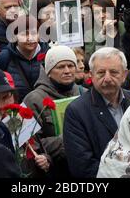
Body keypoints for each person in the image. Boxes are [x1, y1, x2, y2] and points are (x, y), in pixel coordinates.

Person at [63, 47, 130, 178]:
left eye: (113, 72)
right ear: (91, 75)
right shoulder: (76, 111)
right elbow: (82, 167)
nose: (107, 78)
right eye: (101, 73)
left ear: (124, 75)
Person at [24, 45, 84, 177]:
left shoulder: (84, 93)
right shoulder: (33, 99)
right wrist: (70, 139)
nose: (67, 71)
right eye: (60, 67)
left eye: (71, 65)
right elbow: (29, 145)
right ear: (49, 71)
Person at [0, 15, 48, 102]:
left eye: (34, 33)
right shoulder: (5, 56)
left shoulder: (48, 54)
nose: (30, 38)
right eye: (24, 34)